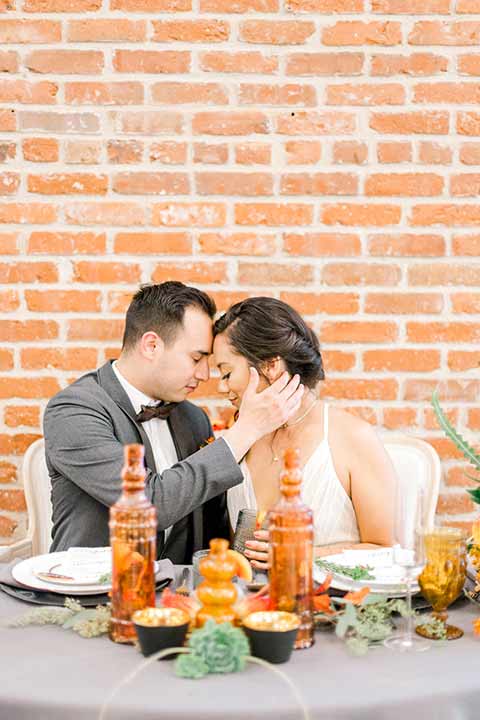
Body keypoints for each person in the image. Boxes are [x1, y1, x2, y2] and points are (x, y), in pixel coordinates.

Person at [43, 282, 304, 563]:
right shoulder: (73, 411)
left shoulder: (193, 418)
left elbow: (212, 526)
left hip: (178, 598)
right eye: (196, 358)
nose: (205, 374)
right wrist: (246, 431)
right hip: (90, 597)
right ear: (152, 345)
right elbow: (147, 505)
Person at [212, 297, 396, 570]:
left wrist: (302, 558)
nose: (220, 387)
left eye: (227, 373)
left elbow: (386, 551)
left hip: (335, 608)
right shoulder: (241, 438)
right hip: (250, 607)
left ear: (270, 366)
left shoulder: (353, 438)